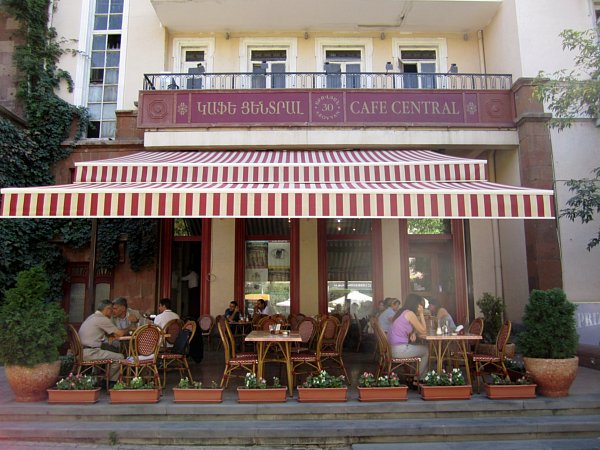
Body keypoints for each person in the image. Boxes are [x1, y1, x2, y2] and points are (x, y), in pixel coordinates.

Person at [78, 299, 127, 383]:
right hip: (90, 353)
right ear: (107, 309)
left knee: (112, 349)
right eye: (111, 310)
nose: (112, 313)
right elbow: (120, 333)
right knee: (120, 357)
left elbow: (105, 332)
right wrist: (131, 327)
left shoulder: (92, 317)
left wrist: (110, 335)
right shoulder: (102, 319)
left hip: (81, 352)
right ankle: (110, 381)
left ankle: (102, 378)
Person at [388, 293, 429, 377]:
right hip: (399, 350)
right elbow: (423, 331)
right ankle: (419, 378)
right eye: (420, 304)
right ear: (416, 304)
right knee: (426, 350)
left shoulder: (401, 312)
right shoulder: (410, 314)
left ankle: (416, 375)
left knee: (419, 346)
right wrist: (421, 313)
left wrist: (413, 332)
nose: (420, 307)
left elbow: (408, 327)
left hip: (392, 349)